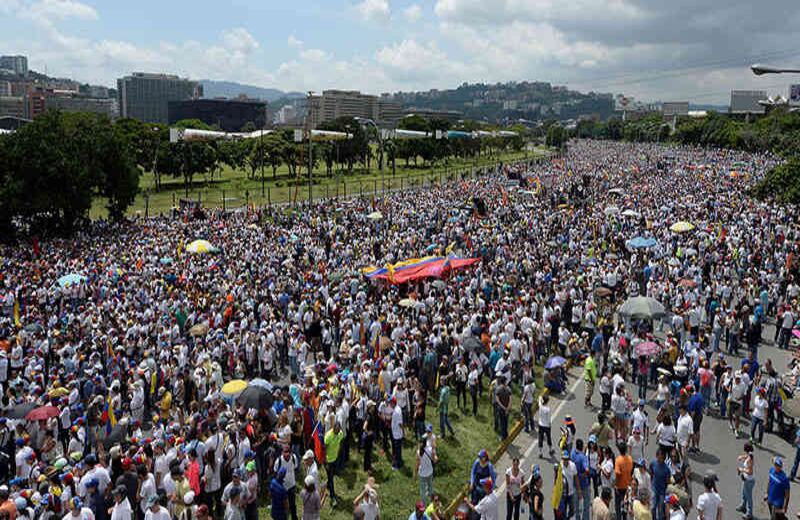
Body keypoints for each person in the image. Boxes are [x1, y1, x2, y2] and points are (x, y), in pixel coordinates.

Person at [324, 422, 344, 506]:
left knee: (332, 475)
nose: (338, 432)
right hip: (328, 461)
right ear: (333, 429)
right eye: (336, 430)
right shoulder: (328, 436)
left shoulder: (340, 433)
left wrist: (338, 451)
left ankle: (327, 484)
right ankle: (332, 497)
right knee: (331, 478)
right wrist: (326, 462)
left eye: (339, 430)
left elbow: (341, 441)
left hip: (335, 458)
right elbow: (324, 449)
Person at [649, 449, 670, 520]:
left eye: (661, 457)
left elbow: (667, 481)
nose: (659, 459)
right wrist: (652, 483)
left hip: (662, 491)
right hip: (654, 489)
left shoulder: (666, 469)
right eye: (658, 456)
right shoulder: (653, 463)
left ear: (664, 458)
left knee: (661, 509)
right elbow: (651, 472)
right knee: (653, 507)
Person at [736, 442, 755, 520]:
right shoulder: (750, 455)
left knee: (748, 497)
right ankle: (743, 506)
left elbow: (750, 472)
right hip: (746, 479)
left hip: (749, 480)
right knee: (744, 493)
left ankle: (749, 513)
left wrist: (741, 470)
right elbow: (746, 456)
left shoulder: (750, 459)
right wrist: (742, 457)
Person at [614, 443, 633, 520]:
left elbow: (618, 474)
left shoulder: (618, 460)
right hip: (628, 485)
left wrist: (616, 484)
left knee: (618, 505)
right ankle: (624, 517)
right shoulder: (630, 459)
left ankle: (619, 518)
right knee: (625, 504)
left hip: (620, 486)